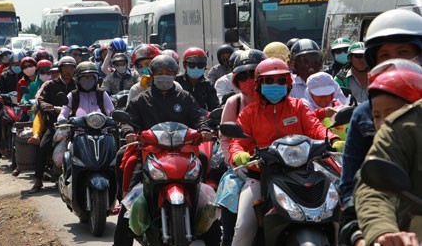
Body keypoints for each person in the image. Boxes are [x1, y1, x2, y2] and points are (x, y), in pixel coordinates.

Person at [228, 58, 341, 245]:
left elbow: (315, 127)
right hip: (261, 174)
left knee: (338, 212)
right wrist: (238, 154)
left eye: (281, 81)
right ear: (258, 84)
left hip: (304, 172)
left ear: (288, 84)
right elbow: (237, 142)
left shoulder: (299, 106)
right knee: (243, 227)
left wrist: (333, 140)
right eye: (269, 81)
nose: (275, 85)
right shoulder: (249, 113)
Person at [114, 54, 218, 246]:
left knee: (203, 158)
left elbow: (198, 118)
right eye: (160, 73)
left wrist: (204, 130)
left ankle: (200, 204)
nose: (164, 76)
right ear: (152, 75)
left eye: (169, 73)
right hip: (150, 151)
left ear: (175, 74)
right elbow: (128, 120)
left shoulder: (185, 97)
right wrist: (128, 131)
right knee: (129, 196)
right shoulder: (141, 99)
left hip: (183, 150)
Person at [340, 9, 422, 204]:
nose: (394, 61)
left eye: (403, 52)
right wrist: (356, 227)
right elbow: (351, 185)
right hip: (380, 219)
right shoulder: (364, 114)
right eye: (384, 55)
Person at [354, 67, 422, 246]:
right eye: (376, 116)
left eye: (390, 113)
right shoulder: (405, 127)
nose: (382, 122)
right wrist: (383, 231)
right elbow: (373, 189)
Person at [215, 49, 267, 246]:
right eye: (242, 76)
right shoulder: (234, 103)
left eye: (253, 74)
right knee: (231, 193)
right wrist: (237, 160)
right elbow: (227, 140)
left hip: (282, 164)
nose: (249, 80)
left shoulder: (281, 101)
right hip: (243, 169)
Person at [29, 56, 77, 193]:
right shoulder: (50, 85)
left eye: (71, 68)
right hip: (55, 124)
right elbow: (40, 100)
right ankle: (38, 180)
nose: (68, 71)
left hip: (76, 123)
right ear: (60, 69)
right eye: (65, 68)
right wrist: (47, 106)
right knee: (43, 146)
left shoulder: (78, 85)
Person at [0, 51, 25, 167]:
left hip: (23, 106)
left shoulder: (26, 76)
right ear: (10, 64)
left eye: (19, 63)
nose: (17, 66)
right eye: (15, 63)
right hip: (6, 105)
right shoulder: (4, 75)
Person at [289, 38, 347, 104]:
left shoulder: (329, 81)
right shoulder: (290, 86)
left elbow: (341, 105)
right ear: (294, 65)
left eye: (314, 61)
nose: (310, 67)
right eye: (305, 62)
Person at [176, 47, 219, 111]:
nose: (196, 68)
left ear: (205, 66)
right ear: (184, 65)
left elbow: (214, 107)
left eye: (200, 65)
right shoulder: (177, 81)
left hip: (201, 119)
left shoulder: (208, 85)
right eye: (192, 65)